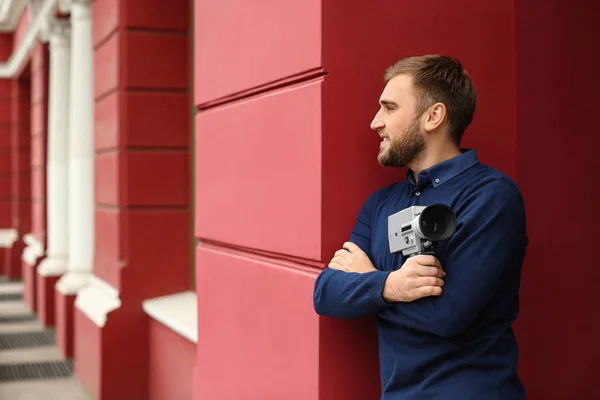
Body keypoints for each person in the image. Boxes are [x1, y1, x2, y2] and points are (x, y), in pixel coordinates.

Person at [313, 55, 528, 399]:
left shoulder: (490, 196)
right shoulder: (381, 204)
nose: (375, 122)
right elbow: (325, 293)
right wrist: (390, 284)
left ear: (433, 116)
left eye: (389, 107)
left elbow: (448, 317)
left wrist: (369, 284)